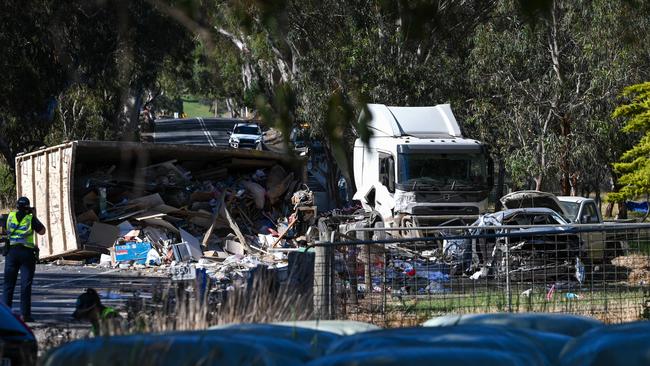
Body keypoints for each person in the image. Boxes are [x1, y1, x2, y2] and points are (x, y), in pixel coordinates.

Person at [2, 197, 45, 322]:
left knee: (8, 285)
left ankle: (6, 315)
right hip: (26, 254)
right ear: (28, 207)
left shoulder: (9, 216)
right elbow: (42, 231)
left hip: (12, 253)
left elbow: (4, 228)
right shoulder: (30, 218)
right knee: (25, 285)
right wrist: (34, 215)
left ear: (17, 206)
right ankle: (25, 315)